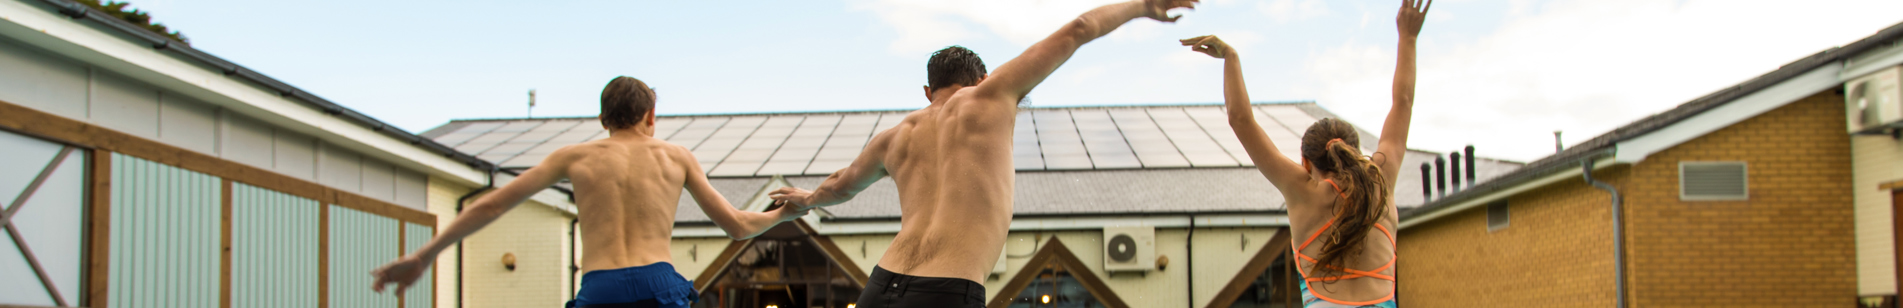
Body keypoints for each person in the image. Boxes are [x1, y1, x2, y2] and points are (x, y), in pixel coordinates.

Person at [764, 1, 1197, 307]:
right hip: (947, 291)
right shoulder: (991, 95)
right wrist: (1143, 4)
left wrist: (803, 199)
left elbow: (839, 186)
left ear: (927, 91)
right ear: (983, 77)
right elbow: (1079, 28)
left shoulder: (895, 137)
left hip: (880, 285)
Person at [368, 76, 810, 308]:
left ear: (602, 119)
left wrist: (425, 255)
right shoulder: (675, 157)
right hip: (659, 282)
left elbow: (494, 203)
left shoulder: (574, 157)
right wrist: (783, 217)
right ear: (651, 115)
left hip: (600, 287)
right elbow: (735, 226)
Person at [1179, 0, 1427, 307]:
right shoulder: (1381, 179)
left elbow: (1240, 119)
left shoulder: (1301, 190)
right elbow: (1402, 102)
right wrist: (1408, 38)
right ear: (1358, 152)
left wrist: (1230, 58)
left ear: (1306, 162)